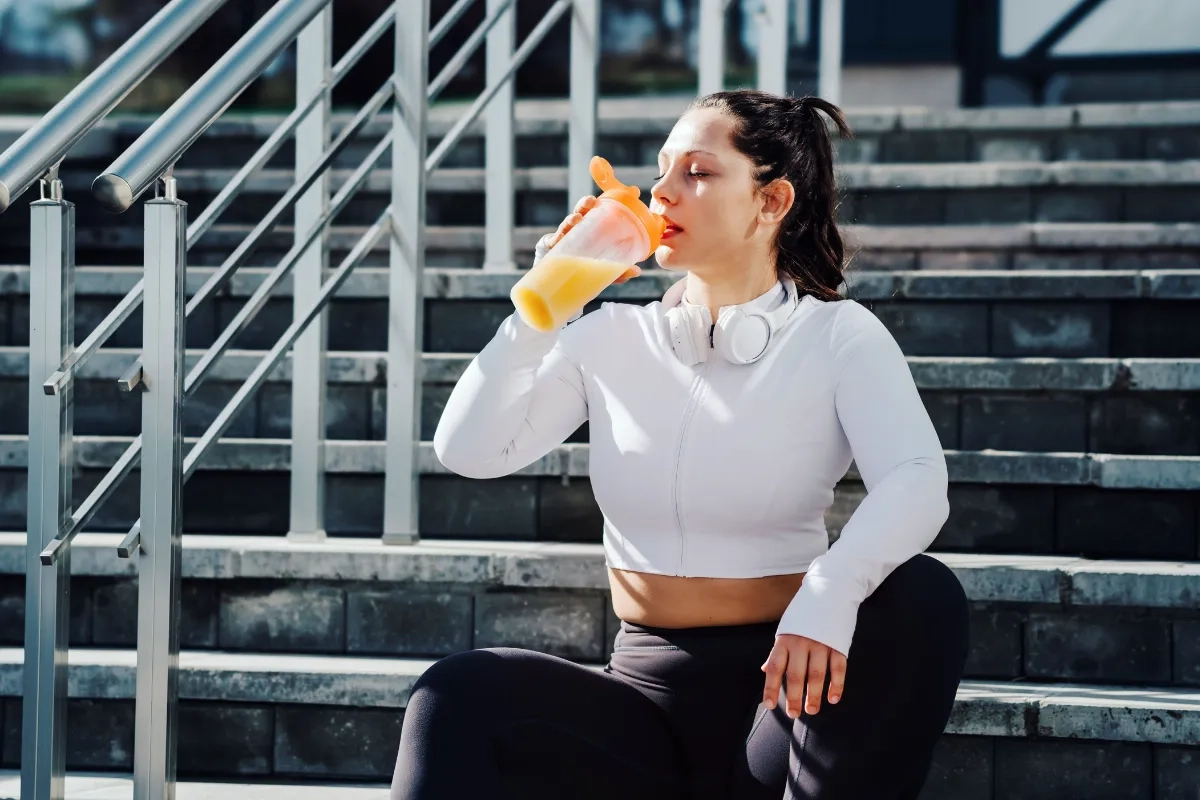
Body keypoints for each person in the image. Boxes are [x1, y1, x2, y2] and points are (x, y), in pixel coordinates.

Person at [389, 89, 969, 800]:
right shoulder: (608, 336)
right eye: (662, 170)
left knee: (921, 596)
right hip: (643, 706)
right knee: (459, 695)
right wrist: (539, 310)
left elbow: (916, 477)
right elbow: (468, 451)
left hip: (790, 704)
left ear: (771, 201)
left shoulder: (838, 336)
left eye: (696, 172)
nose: (661, 192)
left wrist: (831, 590)